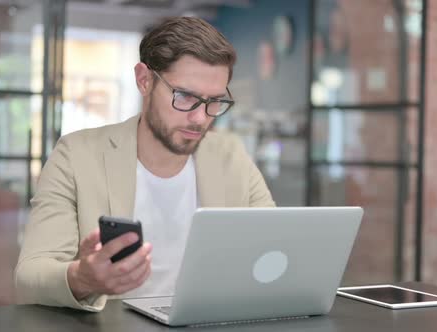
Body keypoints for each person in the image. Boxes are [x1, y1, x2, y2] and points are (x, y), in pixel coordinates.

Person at [15, 17, 275, 312]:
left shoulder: (230, 155)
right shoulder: (76, 155)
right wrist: (81, 277)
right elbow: (29, 276)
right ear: (144, 80)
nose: (201, 118)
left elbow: (274, 248)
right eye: (186, 96)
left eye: (215, 101)